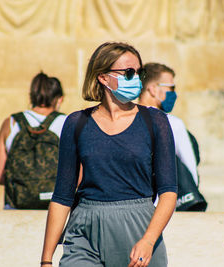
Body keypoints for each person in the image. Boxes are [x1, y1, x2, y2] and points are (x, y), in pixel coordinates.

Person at [41, 42, 177, 267]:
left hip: (139, 228)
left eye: (139, 72)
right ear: (103, 77)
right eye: (129, 72)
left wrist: (148, 240)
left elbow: (169, 192)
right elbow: (62, 197)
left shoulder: (155, 121)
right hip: (84, 229)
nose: (136, 79)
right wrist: (46, 260)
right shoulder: (76, 123)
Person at [0, 72, 67, 209]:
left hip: (16, 209)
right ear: (59, 99)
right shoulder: (67, 123)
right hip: (56, 209)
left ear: (31, 97)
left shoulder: (11, 123)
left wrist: (26, 185)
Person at [139, 63, 205, 211]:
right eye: (171, 88)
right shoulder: (172, 124)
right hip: (163, 210)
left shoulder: (124, 120)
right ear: (153, 89)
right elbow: (190, 172)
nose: (174, 94)